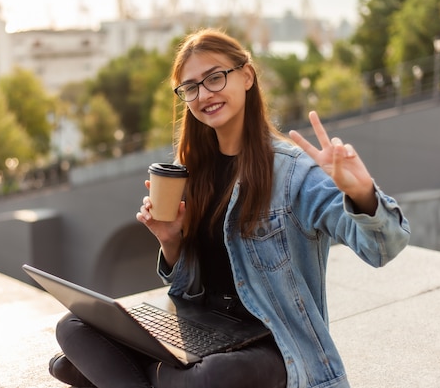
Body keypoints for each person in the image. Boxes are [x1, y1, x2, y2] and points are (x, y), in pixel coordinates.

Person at [48, 28, 411, 388]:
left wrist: (361, 192)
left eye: (215, 78)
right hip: (201, 332)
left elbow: (382, 247)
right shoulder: (191, 171)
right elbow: (183, 294)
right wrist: (171, 241)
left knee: (200, 377)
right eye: (191, 87)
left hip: (273, 347)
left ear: (247, 76)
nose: (204, 94)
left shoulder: (293, 172)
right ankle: (156, 378)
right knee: (75, 326)